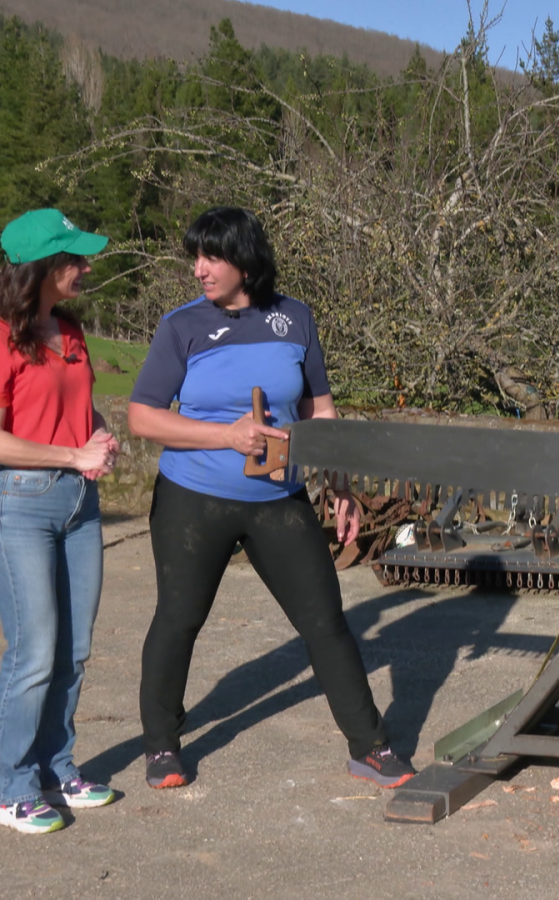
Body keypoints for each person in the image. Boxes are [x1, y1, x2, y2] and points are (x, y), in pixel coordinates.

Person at [127, 206, 417, 790]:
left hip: (280, 497)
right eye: (196, 257)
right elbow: (143, 417)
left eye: (212, 257)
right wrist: (226, 436)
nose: (200, 269)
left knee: (324, 621)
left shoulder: (295, 319)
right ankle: (161, 746)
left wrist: (340, 485)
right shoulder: (181, 327)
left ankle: (370, 747)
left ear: (245, 259)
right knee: (179, 619)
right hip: (193, 498)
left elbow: (319, 411)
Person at [0, 208, 121, 834]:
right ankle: (13, 789)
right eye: (74, 259)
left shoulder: (70, 330)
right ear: (42, 268)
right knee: (34, 651)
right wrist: (73, 456)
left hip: (80, 506)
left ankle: (57, 769)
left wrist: (100, 437)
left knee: (74, 651)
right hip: (21, 506)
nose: (85, 268)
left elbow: (82, 409)